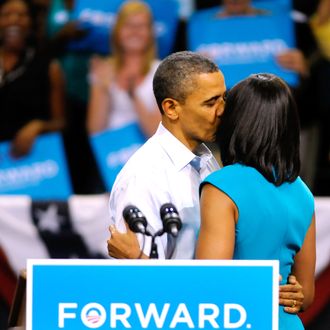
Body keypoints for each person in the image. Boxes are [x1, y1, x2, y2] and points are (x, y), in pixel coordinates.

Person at [107, 51, 305, 315]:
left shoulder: (208, 161)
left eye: (224, 97)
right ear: (171, 108)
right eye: (211, 102)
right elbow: (138, 290)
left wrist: (286, 290)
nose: (224, 111)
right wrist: (136, 259)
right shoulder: (142, 179)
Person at [196, 73, 316, 329]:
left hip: (241, 321)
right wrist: (285, 292)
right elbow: (306, 295)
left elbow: (209, 283)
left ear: (237, 121)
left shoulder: (223, 185)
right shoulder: (303, 192)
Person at [0, 0, 65, 157]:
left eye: (21, 15)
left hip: (33, 165)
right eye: (6, 14)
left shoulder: (49, 66)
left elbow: (62, 122)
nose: (14, 19)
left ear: (32, 22)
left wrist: (39, 126)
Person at [87, 0, 161, 138]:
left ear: (151, 32)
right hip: (113, 154)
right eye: (128, 25)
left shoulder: (163, 71)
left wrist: (133, 96)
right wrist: (103, 88)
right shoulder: (103, 70)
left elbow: (157, 134)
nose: (134, 31)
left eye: (141, 26)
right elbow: (95, 131)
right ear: (117, 31)